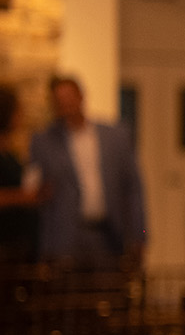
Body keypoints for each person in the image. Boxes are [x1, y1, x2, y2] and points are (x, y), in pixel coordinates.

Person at [29, 74, 147, 266]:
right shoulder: (45, 142)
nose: (65, 104)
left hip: (109, 234)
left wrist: (140, 235)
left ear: (81, 97)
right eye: (59, 100)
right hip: (66, 238)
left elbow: (133, 189)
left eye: (68, 98)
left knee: (108, 291)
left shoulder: (115, 137)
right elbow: (37, 190)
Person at [0, 85, 40, 262]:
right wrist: (26, 197)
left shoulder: (9, 151)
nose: (22, 116)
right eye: (18, 111)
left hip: (15, 242)